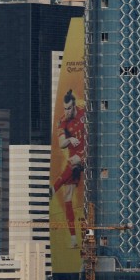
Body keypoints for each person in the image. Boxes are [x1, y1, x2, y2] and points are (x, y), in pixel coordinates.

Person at [53, 89, 86, 249]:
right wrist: (70, 139)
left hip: (87, 154)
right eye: (64, 108)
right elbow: (61, 143)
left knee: (73, 161)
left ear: (74, 107)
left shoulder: (84, 114)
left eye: (69, 108)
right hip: (73, 161)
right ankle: (73, 238)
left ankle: (53, 188)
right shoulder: (62, 122)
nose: (66, 111)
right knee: (67, 197)